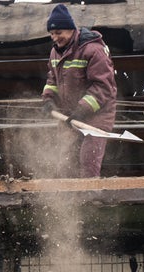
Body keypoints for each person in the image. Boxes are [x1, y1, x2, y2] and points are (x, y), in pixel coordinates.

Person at [40, 4, 118, 178]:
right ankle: (67, 193)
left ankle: (89, 193)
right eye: (52, 34)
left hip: (97, 116)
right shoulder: (54, 53)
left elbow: (103, 87)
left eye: (58, 32)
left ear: (71, 29)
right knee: (65, 160)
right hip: (69, 115)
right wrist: (48, 100)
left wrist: (82, 110)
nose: (55, 38)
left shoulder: (93, 50)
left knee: (88, 160)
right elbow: (52, 80)